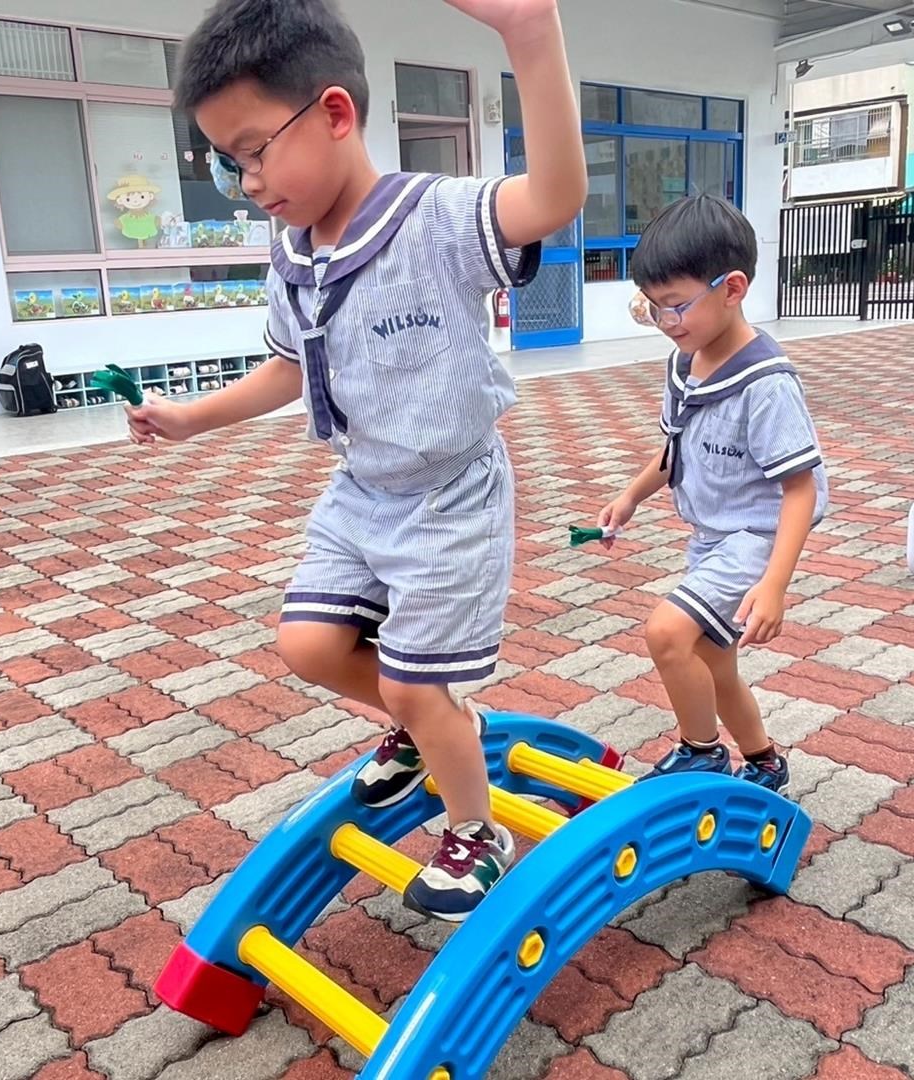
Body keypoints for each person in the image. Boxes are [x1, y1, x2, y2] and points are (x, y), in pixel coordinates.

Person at [127, 0, 585, 921]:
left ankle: (476, 831)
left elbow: (554, 197)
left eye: (254, 151)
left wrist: (529, 34)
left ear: (334, 112)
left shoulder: (436, 219)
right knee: (307, 644)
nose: (248, 181)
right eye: (227, 163)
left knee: (416, 682)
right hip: (360, 493)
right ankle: (425, 728)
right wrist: (191, 421)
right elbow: (287, 368)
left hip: (449, 495)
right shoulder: (292, 255)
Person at [598, 195, 829, 794]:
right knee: (712, 661)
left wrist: (774, 584)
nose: (666, 321)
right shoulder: (685, 365)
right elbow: (675, 449)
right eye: (652, 307)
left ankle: (700, 751)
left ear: (732, 289)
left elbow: (800, 490)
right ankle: (764, 761)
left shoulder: (766, 384)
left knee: (667, 633)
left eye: (676, 305)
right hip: (712, 539)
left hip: (755, 539)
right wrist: (631, 496)